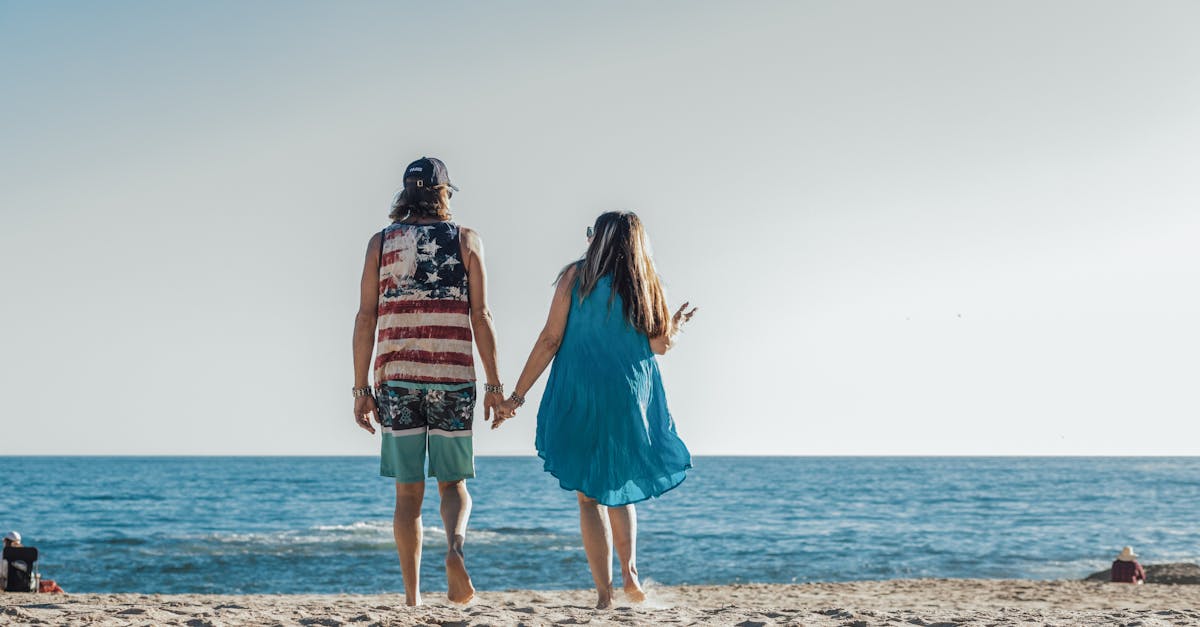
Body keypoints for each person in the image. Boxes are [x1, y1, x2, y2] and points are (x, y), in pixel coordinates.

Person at [494, 211, 696, 609]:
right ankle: (631, 577)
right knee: (620, 491)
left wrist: (515, 397)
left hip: (580, 391)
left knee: (589, 498)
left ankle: (604, 596)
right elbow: (659, 345)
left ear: (598, 240)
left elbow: (551, 339)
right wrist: (676, 326)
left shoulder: (576, 277)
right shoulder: (646, 282)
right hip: (627, 394)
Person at [351, 156, 504, 606]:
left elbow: (366, 317)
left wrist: (361, 389)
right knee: (453, 484)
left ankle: (413, 598)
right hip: (453, 376)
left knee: (407, 493)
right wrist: (495, 385)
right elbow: (482, 315)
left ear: (405, 194)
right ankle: (454, 548)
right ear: (443, 194)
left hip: (396, 379)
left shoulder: (380, 243)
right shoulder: (466, 239)